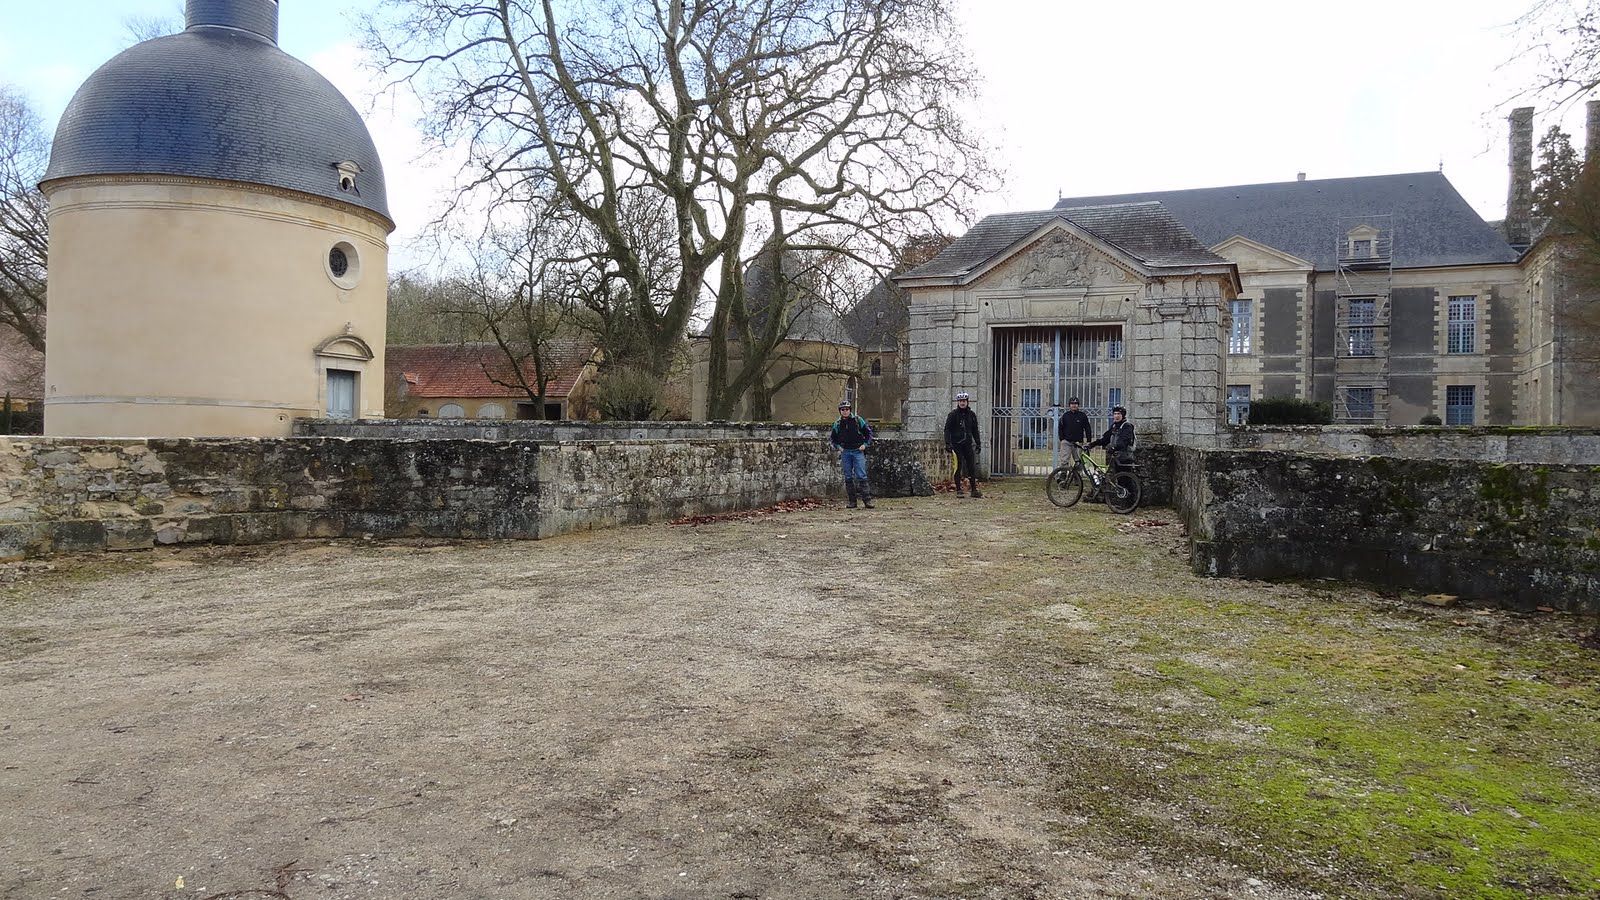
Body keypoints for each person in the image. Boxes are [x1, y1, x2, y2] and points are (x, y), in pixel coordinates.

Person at [830, 400, 874, 509]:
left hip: (858, 451)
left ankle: (867, 501)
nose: (845, 411)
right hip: (845, 452)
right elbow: (833, 439)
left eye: (847, 409)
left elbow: (868, 433)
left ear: (850, 410)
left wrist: (865, 444)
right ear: (840, 411)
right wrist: (838, 447)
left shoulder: (858, 420)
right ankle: (852, 502)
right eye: (843, 410)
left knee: (861, 475)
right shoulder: (837, 424)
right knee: (848, 476)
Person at [943, 391, 983, 498]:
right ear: (958, 402)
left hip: (968, 444)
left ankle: (974, 490)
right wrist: (947, 443)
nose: (962, 403)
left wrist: (978, 443)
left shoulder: (972, 415)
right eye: (960, 401)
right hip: (956, 445)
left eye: (964, 401)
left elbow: (975, 430)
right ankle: (959, 490)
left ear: (967, 402)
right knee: (958, 467)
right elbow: (947, 429)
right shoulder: (952, 415)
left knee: (971, 467)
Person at [1086, 405, 1136, 473]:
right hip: (1115, 456)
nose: (1116, 416)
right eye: (1115, 414)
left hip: (1125, 457)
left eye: (1119, 414)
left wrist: (1114, 448)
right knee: (1112, 475)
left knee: (1124, 476)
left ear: (1123, 415)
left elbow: (1124, 441)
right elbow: (1106, 438)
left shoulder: (1127, 426)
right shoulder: (1114, 426)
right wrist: (1092, 444)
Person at [1057, 397, 1092, 463]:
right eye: (1072, 404)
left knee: (1079, 461)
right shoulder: (1065, 416)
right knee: (1064, 461)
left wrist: (1088, 441)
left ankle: (1078, 470)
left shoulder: (1082, 416)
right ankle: (1064, 470)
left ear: (1078, 405)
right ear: (1069, 405)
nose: (1074, 405)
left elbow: (1087, 428)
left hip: (1078, 443)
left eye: (1075, 404)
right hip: (1067, 442)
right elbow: (1060, 428)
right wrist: (1062, 439)